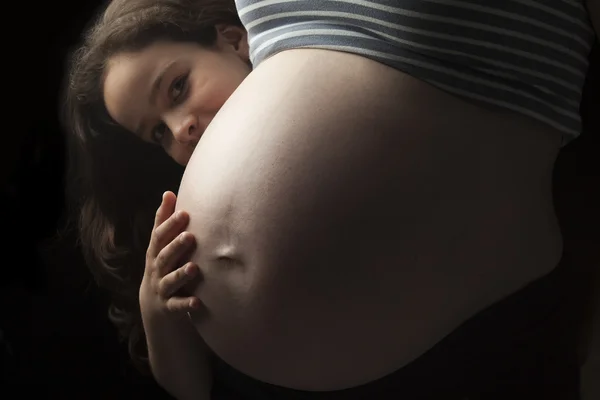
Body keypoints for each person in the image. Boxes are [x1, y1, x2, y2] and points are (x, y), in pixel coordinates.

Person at [62, 0, 599, 399]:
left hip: (472, 324)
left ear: (232, 39)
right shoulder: (173, 232)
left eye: (177, 88)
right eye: (156, 133)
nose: (180, 129)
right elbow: (189, 391)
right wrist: (156, 312)